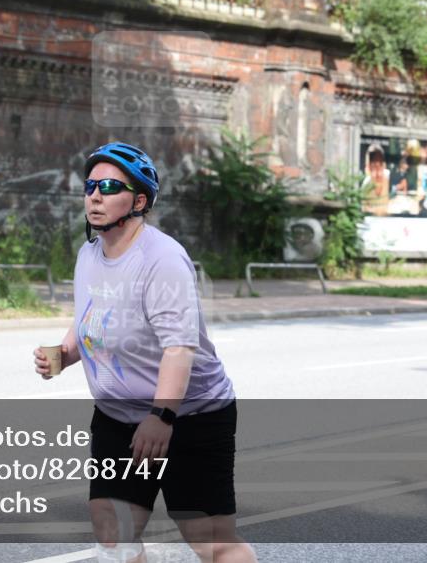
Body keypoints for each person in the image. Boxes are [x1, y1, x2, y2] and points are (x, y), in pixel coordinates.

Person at [33, 142, 256, 563]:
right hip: (119, 418)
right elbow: (92, 319)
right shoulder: (89, 253)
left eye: (109, 187)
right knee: (112, 532)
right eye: (90, 185)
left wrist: (162, 417)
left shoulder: (163, 259)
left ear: (138, 201)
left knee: (211, 540)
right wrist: (64, 353)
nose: (94, 195)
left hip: (191, 417)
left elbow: (179, 347)